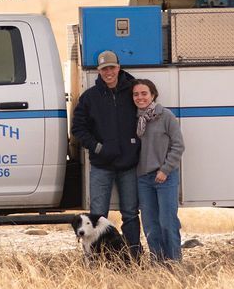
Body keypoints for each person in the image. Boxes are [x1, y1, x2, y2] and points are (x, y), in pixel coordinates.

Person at [71, 50, 142, 255]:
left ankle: (133, 256)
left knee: (129, 213)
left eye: (112, 68)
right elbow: (78, 129)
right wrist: (97, 147)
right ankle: (96, 258)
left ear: (119, 68)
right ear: (99, 71)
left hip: (128, 165)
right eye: (104, 69)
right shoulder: (89, 98)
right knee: (97, 216)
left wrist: (134, 146)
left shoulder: (133, 92)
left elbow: (146, 114)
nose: (108, 72)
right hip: (101, 166)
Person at [131, 78, 185, 262]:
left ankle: (174, 262)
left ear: (153, 95)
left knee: (167, 222)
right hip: (143, 179)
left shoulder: (166, 116)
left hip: (165, 177)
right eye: (136, 94)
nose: (140, 97)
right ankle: (158, 262)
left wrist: (165, 170)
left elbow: (178, 146)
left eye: (144, 93)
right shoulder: (134, 119)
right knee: (150, 224)